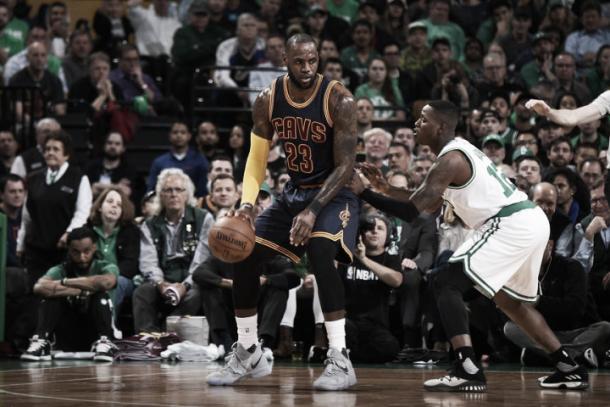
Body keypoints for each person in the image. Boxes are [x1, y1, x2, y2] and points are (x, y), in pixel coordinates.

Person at [351, 100, 588, 391]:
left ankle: (466, 367)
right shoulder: (458, 152)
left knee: (444, 281)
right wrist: (385, 188)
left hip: (509, 223)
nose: (416, 124)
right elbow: (425, 200)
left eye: (423, 120)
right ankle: (568, 366)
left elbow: (413, 212)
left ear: (440, 126)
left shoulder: (451, 159)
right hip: (527, 221)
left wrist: (366, 194)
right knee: (510, 303)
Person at [206, 34, 359, 391]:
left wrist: (314, 209)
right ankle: (248, 351)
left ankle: (340, 357)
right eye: (298, 62)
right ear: (284, 61)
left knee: (322, 254)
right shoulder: (268, 99)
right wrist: (247, 204)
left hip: (335, 195)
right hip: (293, 193)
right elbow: (257, 158)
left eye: (312, 61)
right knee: (243, 253)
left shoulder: (340, 99)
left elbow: (346, 166)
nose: (306, 69)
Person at [21, 227, 118, 361]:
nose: (81, 257)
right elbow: (39, 287)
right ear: (69, 249)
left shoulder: (105, 266)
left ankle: (105, 341)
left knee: (100, 295)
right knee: (50, 298)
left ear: (94, 247)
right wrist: (83, 289)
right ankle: (41, 340)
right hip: (67, 328)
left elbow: (105, 283)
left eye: (86, 251)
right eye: (76, 252)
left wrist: (64, 282)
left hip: (95, 326)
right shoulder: (60, 269)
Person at [134, 168, 213, 332]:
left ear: (187, 194)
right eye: (168, 190)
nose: (173, 194)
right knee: (142, 291)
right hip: (162, 278)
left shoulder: (203, 218)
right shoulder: (149, 224)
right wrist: (160, 284)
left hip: (191, 279)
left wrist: (185, 285)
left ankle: (167, 334)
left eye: (179, 189)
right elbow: (148, 263)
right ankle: (146, 340)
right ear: (160, 195)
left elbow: (202, 261)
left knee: (196, 295)